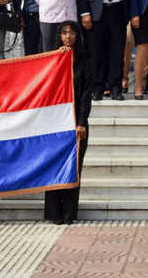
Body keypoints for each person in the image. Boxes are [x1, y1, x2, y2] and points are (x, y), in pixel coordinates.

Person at [44, 21, 91, 225]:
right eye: (64, 33)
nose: (68, 36)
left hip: (76, 123)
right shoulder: (50, 60)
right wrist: (57, 59)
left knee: (73, 167)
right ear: (59, 37)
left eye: (72, 33)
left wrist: (81, 121)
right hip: (54, 124)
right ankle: (54, 214)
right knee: (54, 167)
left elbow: (86, 95)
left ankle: (69, 214)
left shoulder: (84, 61)